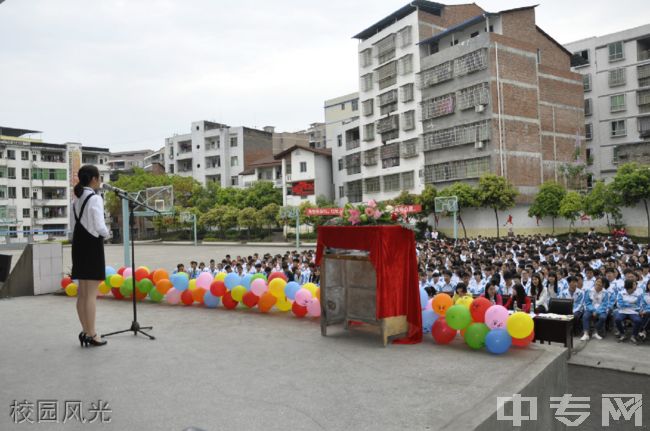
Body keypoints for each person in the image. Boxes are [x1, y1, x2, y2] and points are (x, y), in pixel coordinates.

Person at [70, 165, 109, 347]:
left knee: (83, 293)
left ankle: (85, 331)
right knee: (91, 294)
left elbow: (73, 225)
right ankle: (92, 334)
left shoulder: (76, 198)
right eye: (99, 177)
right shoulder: (95, 198)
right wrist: (108, 234)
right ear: (93, 178)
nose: (100, 180)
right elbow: (100, 226)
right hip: (92, 245)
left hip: (78, 244)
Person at [581, 277, 610, 341]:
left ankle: (595, 331)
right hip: (590, 308)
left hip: (601, 309)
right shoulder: (589, 291)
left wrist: (597, 311)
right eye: (597, 281)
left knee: (603, 317)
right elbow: (587, 302)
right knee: (585, 316)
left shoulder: (606, 293)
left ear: (603, 284)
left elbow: (604, 304)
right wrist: (593, 310)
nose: (598, 283)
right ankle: (586, 334)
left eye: (600, 282)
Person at [615, 279, 643, 344]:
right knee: (617, 319)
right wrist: (632, 304)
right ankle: (622, 334)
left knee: (638, 320)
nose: (636, 286)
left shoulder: (638, 294)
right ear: (629, 286)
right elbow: (619, 304)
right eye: (634, 285)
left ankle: (634, 336)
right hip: (623, 311)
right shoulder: (621, 293)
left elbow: (639, 305)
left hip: (633, 312)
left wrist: (626, 304)